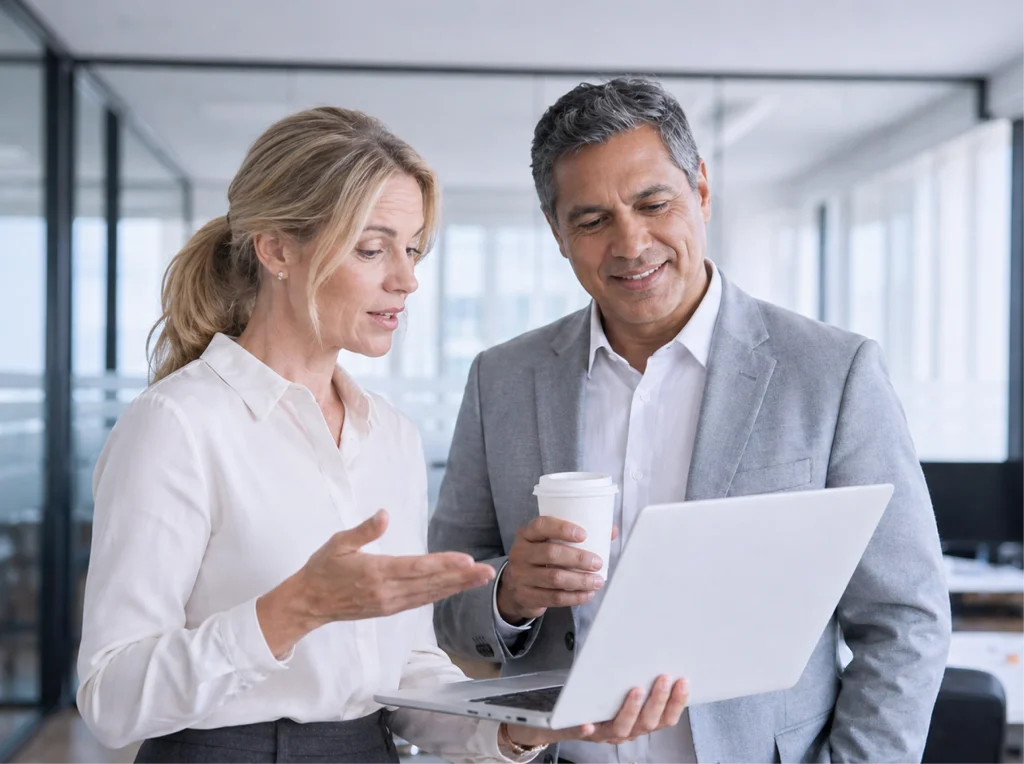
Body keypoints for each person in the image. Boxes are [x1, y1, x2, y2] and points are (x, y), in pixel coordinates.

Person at [75, 106, 688, 764]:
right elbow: (110, 699)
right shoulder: (177, 426)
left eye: (413, 248)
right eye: (373, 248)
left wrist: (516, 728)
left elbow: (406, 679)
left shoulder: (389, 435)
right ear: (277, 248)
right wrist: (291, 611)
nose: (407, 279)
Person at [429, 77, 952, 764]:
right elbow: (446, 605)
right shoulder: (502, 379)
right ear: (557, 233)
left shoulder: (831, 373)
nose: (631, 243)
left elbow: (905, 622)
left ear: (701, 190)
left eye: (653, 203)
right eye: (591, 220)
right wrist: (508, 596)